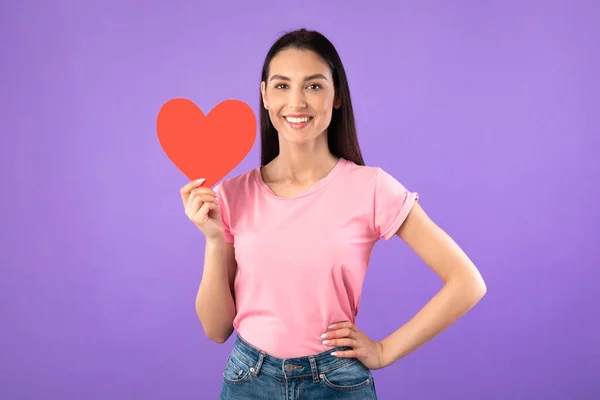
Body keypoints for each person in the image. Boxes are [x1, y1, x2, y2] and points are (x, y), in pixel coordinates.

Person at [180, 28, 487, 399]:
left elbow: (467, 282)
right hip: (249, 381)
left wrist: (385, 350)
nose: (296, 102)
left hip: (336, 384)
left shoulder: (371, 187)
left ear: (337, 94)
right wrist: (214, 240)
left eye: (313, 86)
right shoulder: (232, 194)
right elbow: (216, 330)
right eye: (281, 86)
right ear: (264, 95)